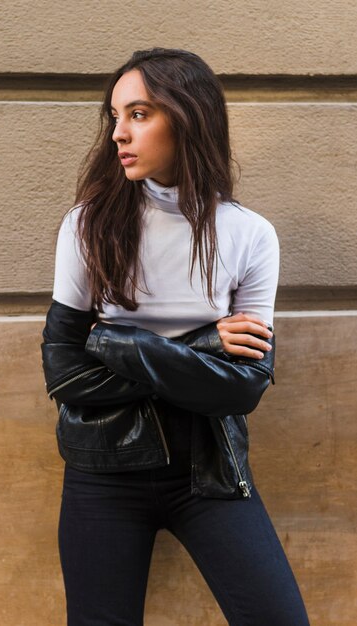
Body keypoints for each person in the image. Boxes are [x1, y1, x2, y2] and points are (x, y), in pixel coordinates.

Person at [42, 48, 310, 626]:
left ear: (188, 117)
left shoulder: (249, 235)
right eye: (114, 117)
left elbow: (245, 388)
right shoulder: (88, 226)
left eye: (138, 114)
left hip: (207, 468)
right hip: (103, 472)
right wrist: (207, 346)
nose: (118, 133)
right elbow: (64, 373)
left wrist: (112, 342)